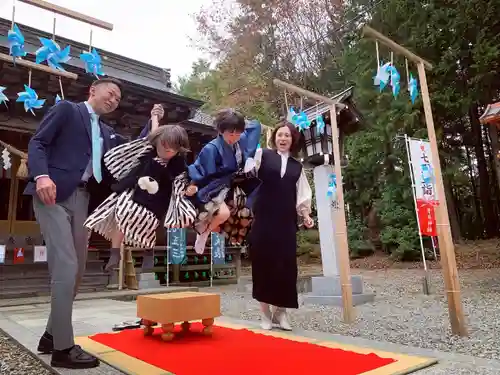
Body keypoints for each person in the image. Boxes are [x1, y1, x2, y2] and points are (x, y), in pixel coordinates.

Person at [24, 78, 151, 369]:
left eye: (118, 99)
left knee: (78, 270)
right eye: (112, 93)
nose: (114, 100)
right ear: (93, 90)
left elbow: (136, 149)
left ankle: (49, 335)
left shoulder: (107, 133)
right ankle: (63, 348)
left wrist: (155, 125)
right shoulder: (67, 110)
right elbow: (38, 142)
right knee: (66, 265)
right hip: (53, 192)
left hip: (83, 201)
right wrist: (41, 176)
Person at [84, 124, 195, 268]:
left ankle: (148, 252)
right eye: (164, 144)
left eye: (173, 146)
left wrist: (188, 190)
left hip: (158, 199)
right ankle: (115, 252)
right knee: (123, 212)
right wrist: (155, 118)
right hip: (135, 190)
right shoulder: (148, 151)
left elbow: (183, 182)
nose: (167, 149)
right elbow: (151, 136)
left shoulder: (178, 166)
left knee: (150, 224)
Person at [245, 121, 314, 331]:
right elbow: (246, 173)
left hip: (286, 221)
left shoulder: (297, 166)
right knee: (263, 265)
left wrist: (306, 214)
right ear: (274, 137)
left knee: (285, 267)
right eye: (279, 135)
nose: (282, 139)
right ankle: (265, 314)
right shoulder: (262, 155)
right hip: (263, 219)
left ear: (293, 140)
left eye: (287, 136)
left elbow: (302, 194)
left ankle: (281, 312)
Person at [187, 109, 261, 254]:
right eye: (230, 133)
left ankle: (242, 239)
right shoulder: (212, 148)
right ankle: (204, 233)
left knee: (252, 206)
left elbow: (256, 125)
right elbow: (200, 169)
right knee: (223, 214)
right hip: (217, 185)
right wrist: (193, 184)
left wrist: (236, 119)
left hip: (239, 182)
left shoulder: (243, 137)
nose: (234, 137)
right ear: (221, 131)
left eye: (237, 133)